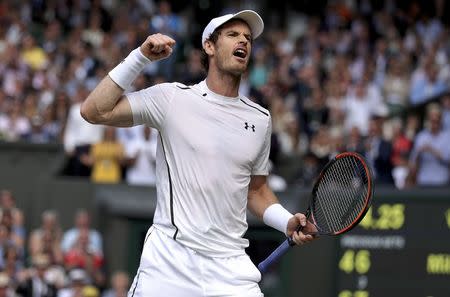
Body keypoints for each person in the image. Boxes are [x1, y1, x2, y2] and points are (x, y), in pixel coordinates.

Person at [80, 10, 317, 297]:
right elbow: (94, 110)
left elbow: (256, 190)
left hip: (231, 268)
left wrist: (285, 220)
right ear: (209, 46)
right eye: (232, 35)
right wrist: (139, 58)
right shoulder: (170, 98)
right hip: (170, 261)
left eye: (248, 38)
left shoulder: (260, 119)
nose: (243, 40)